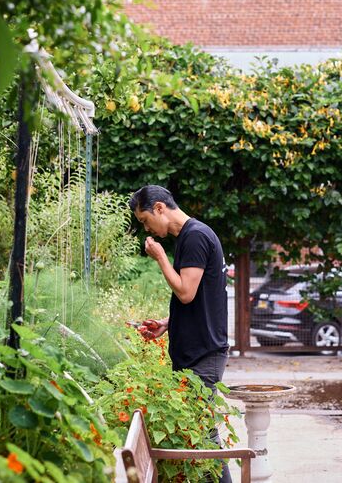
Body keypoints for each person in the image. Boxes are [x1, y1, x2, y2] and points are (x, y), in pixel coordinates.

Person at [129, 185, 231, 483]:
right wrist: (167, 322)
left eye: (145, 220)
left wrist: (160, 257)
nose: (146, 227)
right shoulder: (190, 236)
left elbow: (186, 292)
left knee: (204, 436)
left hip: (204, 355)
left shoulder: (195, 236)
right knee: (200, 434)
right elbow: (200, 299)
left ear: (160, 208)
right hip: (198, 352)